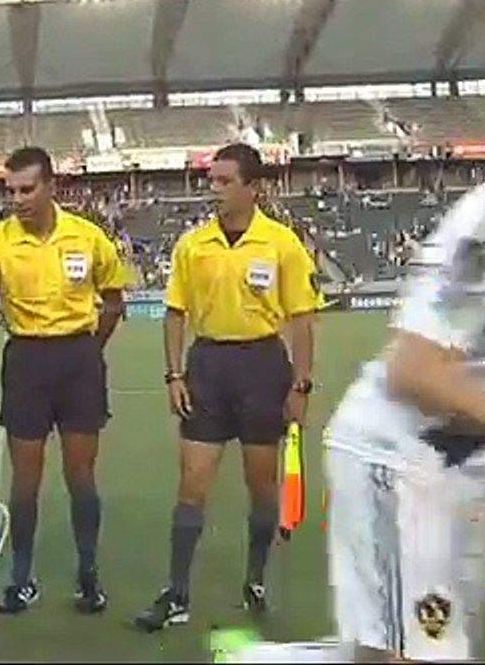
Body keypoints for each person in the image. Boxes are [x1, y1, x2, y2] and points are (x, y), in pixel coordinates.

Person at [212, 173, 485, 664]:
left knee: (410, 653)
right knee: (417, 655)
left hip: (465, 481)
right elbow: (414, 372)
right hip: (400, 463)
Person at [135, 143, 322, 632]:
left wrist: (301, 384)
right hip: (208, 366)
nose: (213, 189)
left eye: (224, 181)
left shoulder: (282, 243)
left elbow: (302, 319)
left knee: (261, 486)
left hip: (263, 366)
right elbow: (174, 313)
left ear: (254, 186)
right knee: (192, 483)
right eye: (211, 180)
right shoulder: (193, 245)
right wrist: (174, 374)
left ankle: (255, 580)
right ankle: (176, 593)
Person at [0, 146, 127, 615]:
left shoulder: (88, 237)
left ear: (51, 187)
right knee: (25, 479)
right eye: (10, 190)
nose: (17, 198)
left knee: (80, 474)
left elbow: (113, 298)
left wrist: (91, 349)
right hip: (26, 361)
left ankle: (88, 574)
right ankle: (22, 577)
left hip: (78, 360)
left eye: (27, 189)